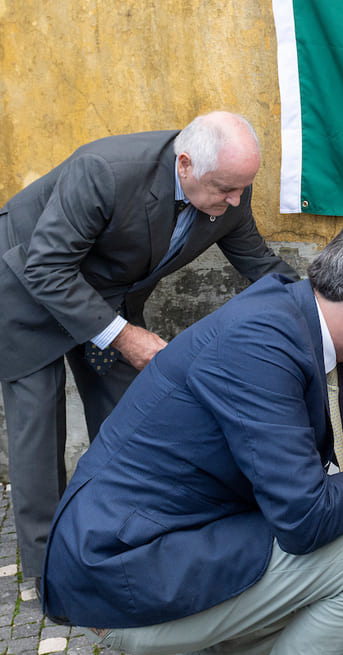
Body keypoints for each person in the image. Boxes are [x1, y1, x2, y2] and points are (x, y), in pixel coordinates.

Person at [40, 212, 343, 655]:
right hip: (119, 570)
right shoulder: (260, 344)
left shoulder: (298, 321)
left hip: (166, 543)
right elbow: (304, 519)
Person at [0, 110, 299, 586]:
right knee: (38, 428)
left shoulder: (228, 193)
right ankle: (49, 571)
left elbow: (260, 265)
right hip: (27, 286)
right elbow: (48, 268)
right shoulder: (105, 170)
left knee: (135, 411)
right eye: (226, 188)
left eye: (244, 187)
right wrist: (126, 336)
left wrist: (324, 306)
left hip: (105, 298)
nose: (237, 200)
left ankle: (123, 533)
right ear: (184, 165)